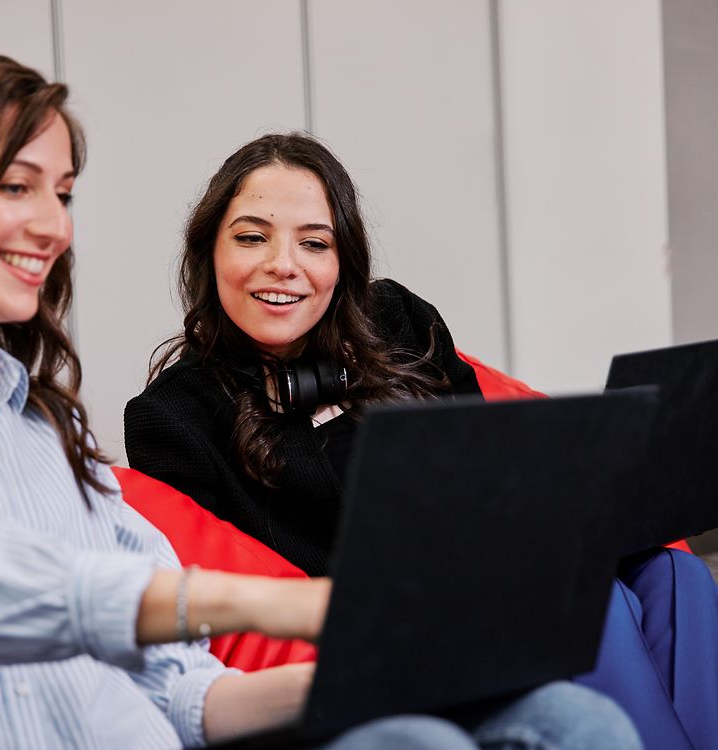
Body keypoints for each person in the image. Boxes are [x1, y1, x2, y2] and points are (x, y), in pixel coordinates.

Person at [0, 52, 642, 750]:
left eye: (65, 192)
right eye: (17, 186)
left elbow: (186, 694)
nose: (54, 225)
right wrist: (300, 606)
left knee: (557, 716)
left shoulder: (43, 428)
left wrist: (385, 661)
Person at [124, 133, 718, 750]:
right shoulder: (172, 417)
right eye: (252, 237)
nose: (283, 264)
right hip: (390, 633)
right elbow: (251, 589)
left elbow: (489, 462)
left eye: (314, 243)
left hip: (490, 566)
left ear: (342, 260)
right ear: (209, 251)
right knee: (601, 605)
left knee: (674, 572)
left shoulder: (396, 321)